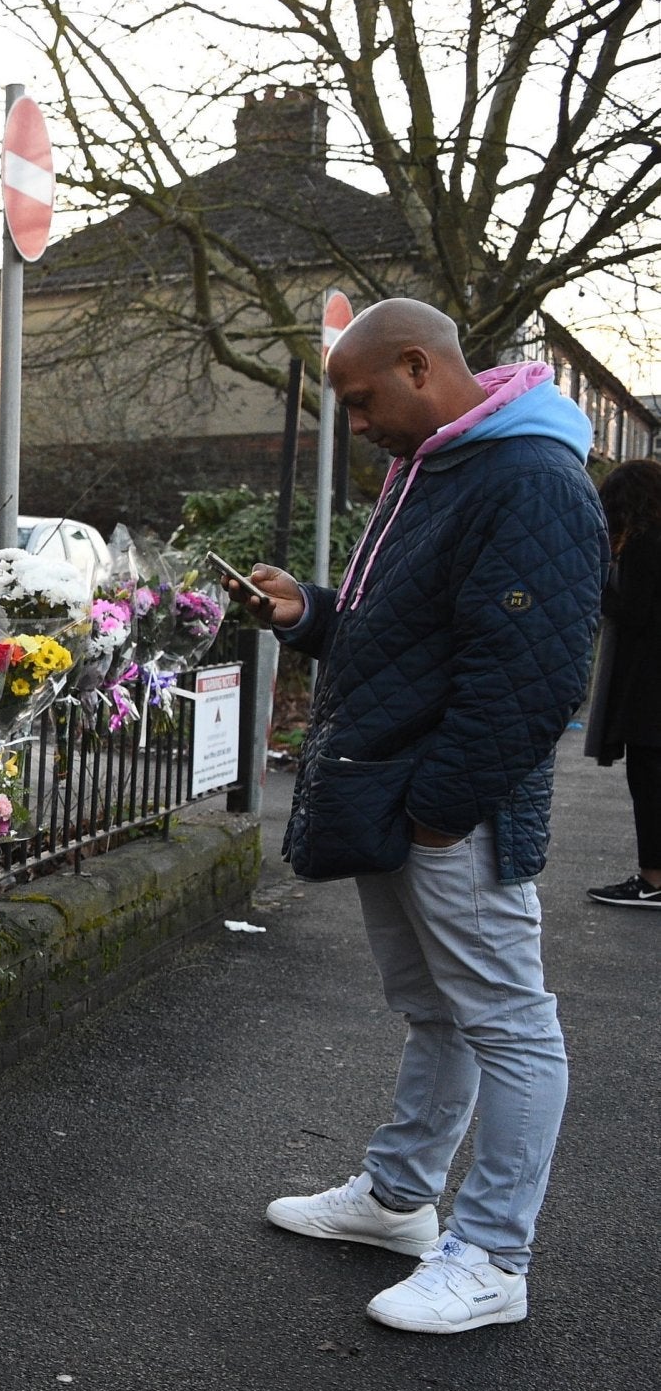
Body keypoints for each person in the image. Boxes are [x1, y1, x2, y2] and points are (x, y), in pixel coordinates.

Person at [230, 299, 606, 1335]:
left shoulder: (528, 478)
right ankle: (399, 1201)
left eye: (359, 402)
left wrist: (440, 811)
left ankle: (492, 1255)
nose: (355, 425)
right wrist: (308, 613)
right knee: (438, 1008)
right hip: (403, 794)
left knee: (507, 1020)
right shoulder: (440, 466)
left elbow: (531, 680)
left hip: (444, 806)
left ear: (414, 365)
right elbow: (405, 637)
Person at [584, 459, 661, 907]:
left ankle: (653, 880)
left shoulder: (646, 543)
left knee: (649, 782)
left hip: (649, 687)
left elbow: (631, 611)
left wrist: (598, 579)